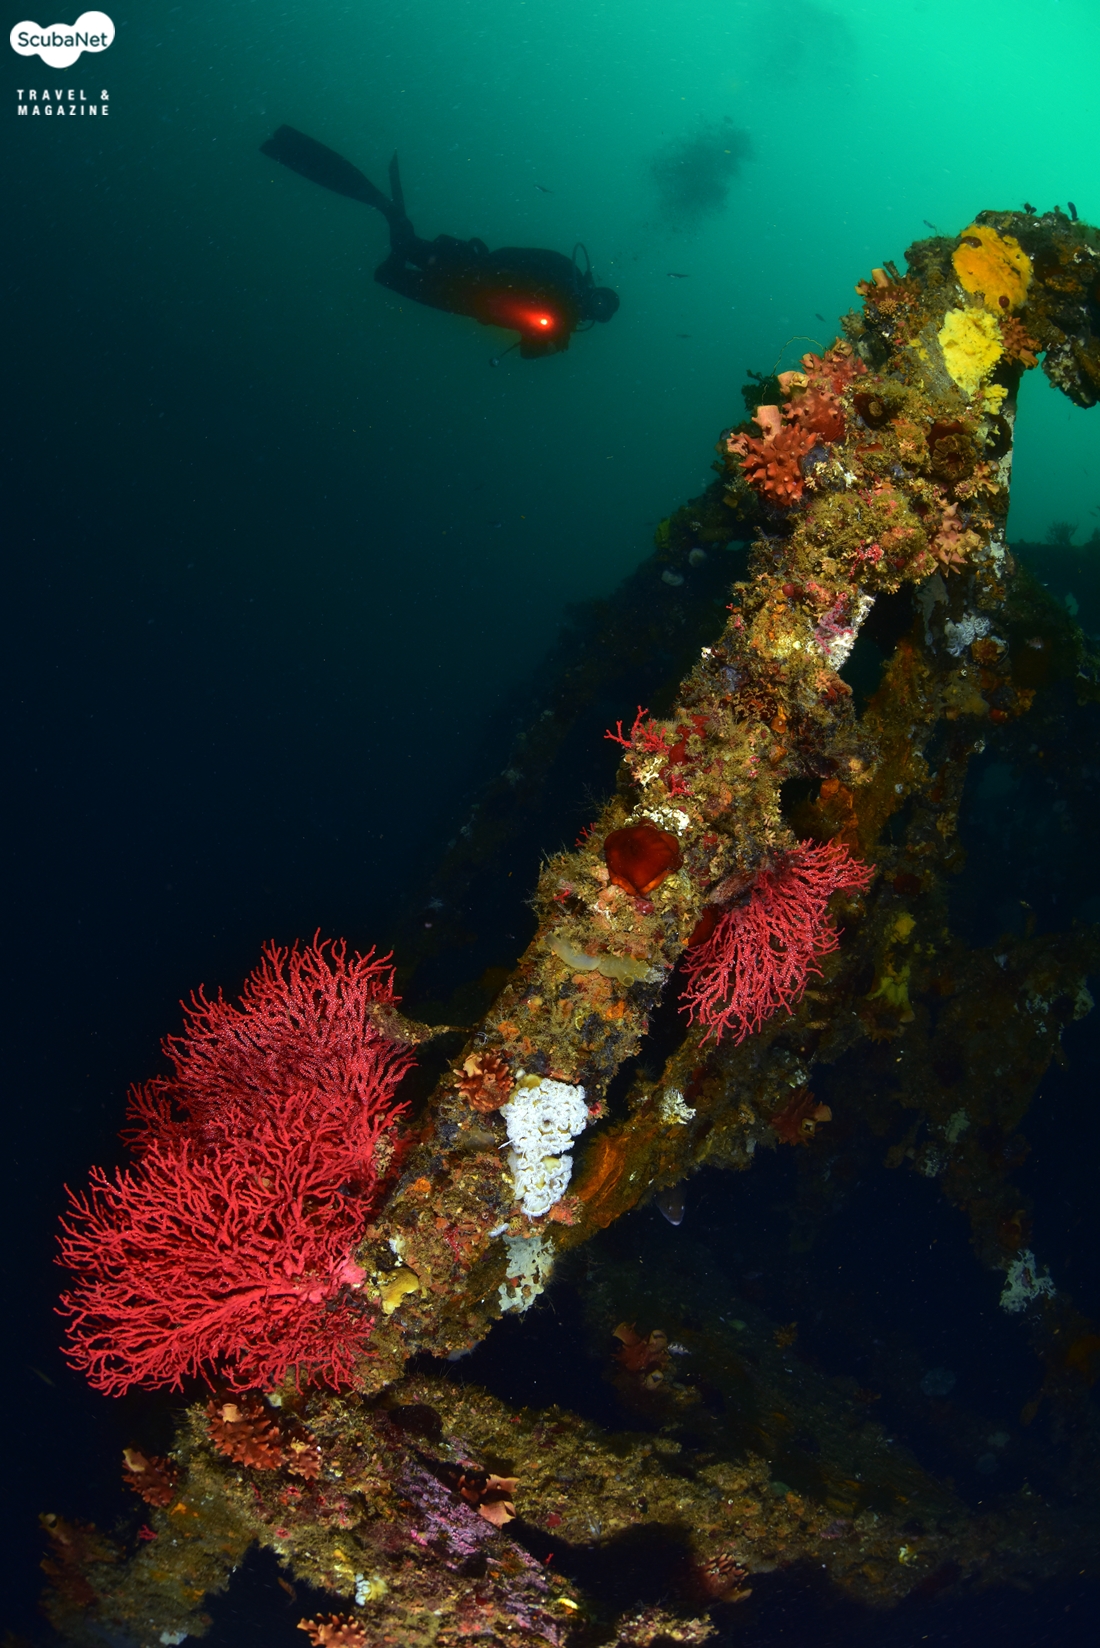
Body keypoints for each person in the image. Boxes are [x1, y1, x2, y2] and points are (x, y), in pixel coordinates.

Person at [260, 125, 620, 359]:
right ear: (596, 290)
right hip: (466, 272)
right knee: (397, 258)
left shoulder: (562, 323)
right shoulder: (566, 273)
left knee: (389, 271)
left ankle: (388, 211)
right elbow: (519, 256)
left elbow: (527, 352)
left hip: (460, 294)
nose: (594, 306)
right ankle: (386, 209)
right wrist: (486, 265)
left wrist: (551, 340)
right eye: (600, 300)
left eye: (600, 311)